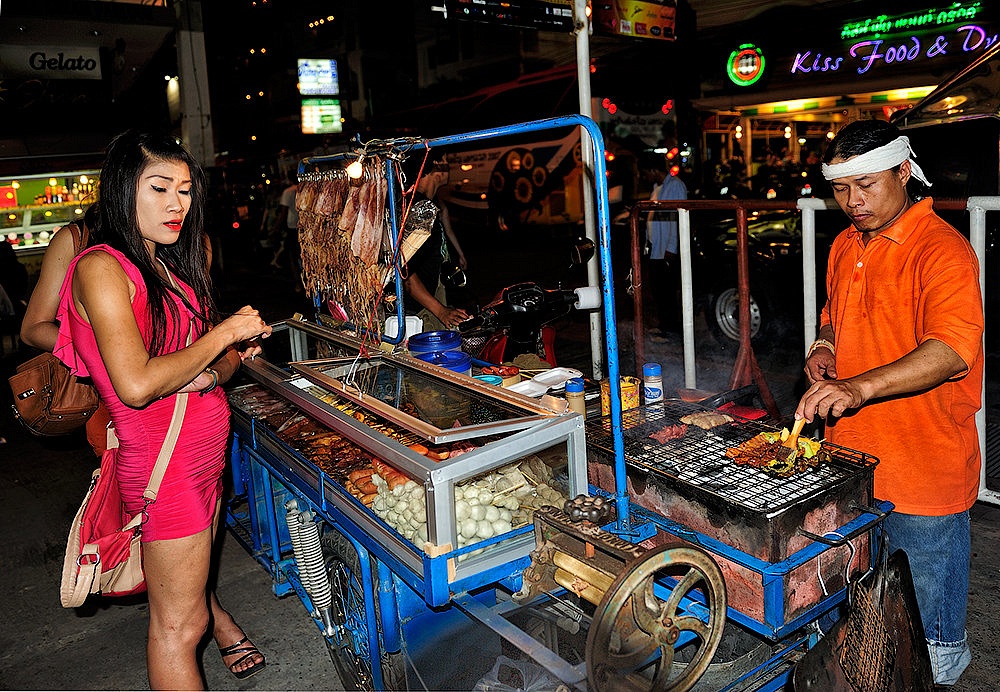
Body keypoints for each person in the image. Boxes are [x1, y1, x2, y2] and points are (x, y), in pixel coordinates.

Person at [52, 130, 272, 689]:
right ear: (125, 189)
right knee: (179, 626)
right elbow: (136, 384)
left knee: (191, 611)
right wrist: (221, 337)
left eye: (186, 189)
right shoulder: (100, 267)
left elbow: (217, 368)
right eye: (160, 188)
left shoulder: (171, 267)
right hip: (165, 468)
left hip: (200, 458)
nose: (178, 203)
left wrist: (215, 359)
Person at [794, 118, 983, 687]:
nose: (853, 202)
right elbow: (834, 314)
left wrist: (858, 388)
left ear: (905, 172)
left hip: (924, 466)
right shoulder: (845, 244)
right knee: (866, 615)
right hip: (850, 461)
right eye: (842, 189)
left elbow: (951, 350)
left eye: (868, 185)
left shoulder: (943, 250)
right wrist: (825, 346)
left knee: (927, 643)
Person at [402, 158, 470, 330]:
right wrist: (440, 311)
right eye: (446, 161)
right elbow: (405, 272)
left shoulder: (430, 204)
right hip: (416, 311)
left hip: (428, 299)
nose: (450, 167)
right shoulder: (418, 209)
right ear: (436, 166)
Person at [643, 154, 688, 335]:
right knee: (660, 290)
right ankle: (665, 326)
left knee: (668, 292)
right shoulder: (658, 188)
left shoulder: (675, 186)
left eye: (646, 172)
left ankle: (672, 329)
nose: (645, 177)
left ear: (654, 171)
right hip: (656, 248)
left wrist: (671, 248)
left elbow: (676, 220)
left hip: (665, 251)